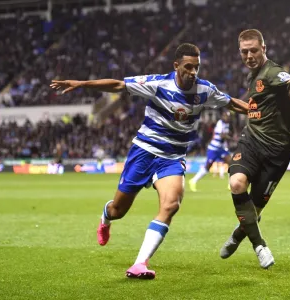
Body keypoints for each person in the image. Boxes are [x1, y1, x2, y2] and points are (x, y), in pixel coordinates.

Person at [50, 43, 248, 279]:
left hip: (172, 157)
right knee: (118, 210)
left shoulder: (205, 90)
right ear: (176, 66)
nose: (193, 72)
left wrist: (260, 113)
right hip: (144, 152)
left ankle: (139, 263)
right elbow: (118, 85)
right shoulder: (157, 83)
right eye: (188, 67)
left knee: (171, 205)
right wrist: (82, 84)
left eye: (197, 67)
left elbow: (233, 103)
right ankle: (106, 217)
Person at [220, 29, 290, 269]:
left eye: (253, 50)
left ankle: (239, 234)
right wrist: (230, 103)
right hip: (251, 142)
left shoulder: (273, 72)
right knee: (236, 183)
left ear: (264, 48)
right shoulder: (253, 76)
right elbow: (255, 107)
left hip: (278, 152)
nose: (249, 55)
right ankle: (259, 245)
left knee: (254, 208)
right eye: (244, 51)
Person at [189, 110, 232, 192]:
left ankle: (231, 184)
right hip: (214, 149)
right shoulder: (220, 123)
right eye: (226, 116)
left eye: (229, 117)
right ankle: (193, 180)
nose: (227, 118)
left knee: (232, 163)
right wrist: (229, 137)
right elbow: (222, 136)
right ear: (223, 116)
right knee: (207, 167)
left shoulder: (227, 124)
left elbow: (224, 136)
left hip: (221, 149)